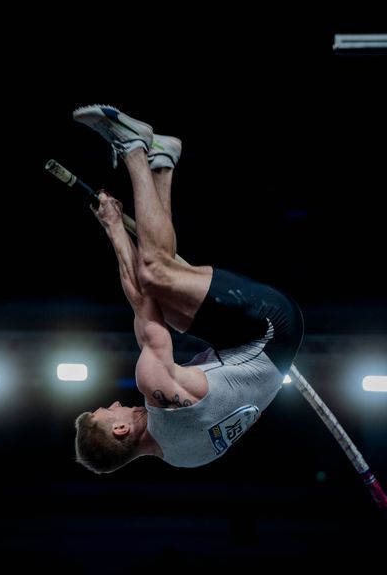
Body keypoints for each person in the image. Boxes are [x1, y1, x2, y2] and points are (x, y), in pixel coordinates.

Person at [73, 104, 304, 473]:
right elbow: (142, 298)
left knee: (166, 295)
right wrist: (114, 227)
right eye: (110, 411)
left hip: (256, 351)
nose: (116, 403)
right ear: (119, 429)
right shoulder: (155, 386)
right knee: (155, 275)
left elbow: (251, 416)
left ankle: (163, 159)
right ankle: (134, 147)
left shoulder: (186, 458)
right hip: (271, 327)